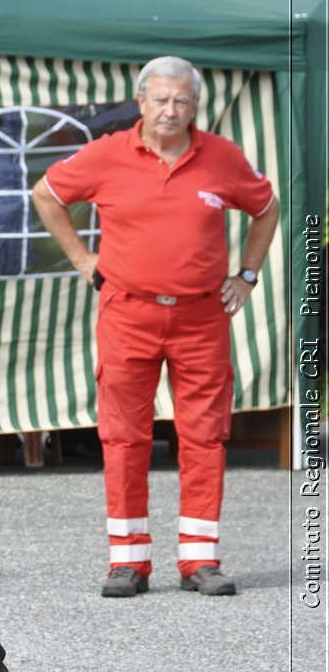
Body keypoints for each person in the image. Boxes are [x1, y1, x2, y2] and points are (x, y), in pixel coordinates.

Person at [32, 55, 279, 599]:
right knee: (123, 437)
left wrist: (248, 275)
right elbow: (46, 195)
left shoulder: (223, 157)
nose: (171, 110)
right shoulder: (107, 155)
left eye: (182, 100)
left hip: (201, 316)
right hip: (128, 312)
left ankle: (200, 560)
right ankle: (128, 562)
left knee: (205, 436)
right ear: (141, 101)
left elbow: (266, 207)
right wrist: (81, 259)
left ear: (196, 106)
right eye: (161, 99)